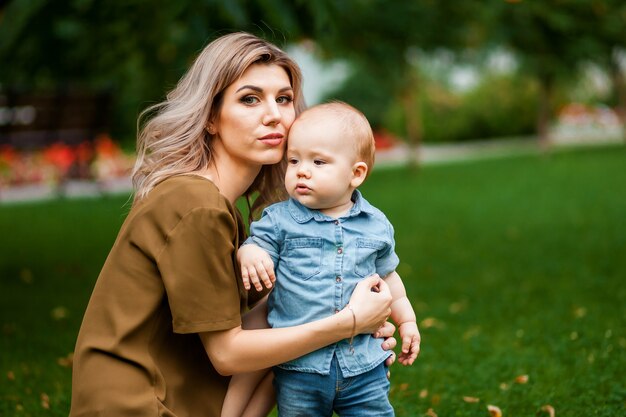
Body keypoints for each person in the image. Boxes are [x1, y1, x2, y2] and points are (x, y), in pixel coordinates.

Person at [69, 32, 397, 417]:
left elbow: (271, 317)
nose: (274, 114)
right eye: (250, 99)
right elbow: (228, 354)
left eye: (284, 98)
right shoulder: (195, 205)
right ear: (210, 118)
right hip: (139, 404)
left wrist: (351, 344)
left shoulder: (225, 209)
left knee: (291, 331)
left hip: (185, 397)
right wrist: (349, 322)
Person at [225, 102, 421, 417]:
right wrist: (249, 252)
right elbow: (257, 242)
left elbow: (388, 278)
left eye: (318, 161)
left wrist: (407, 320)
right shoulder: (279, 221)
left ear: (356, 174)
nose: (302, 170)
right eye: (293, 160)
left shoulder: (376, 224)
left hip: (363, 366)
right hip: (300, 368)